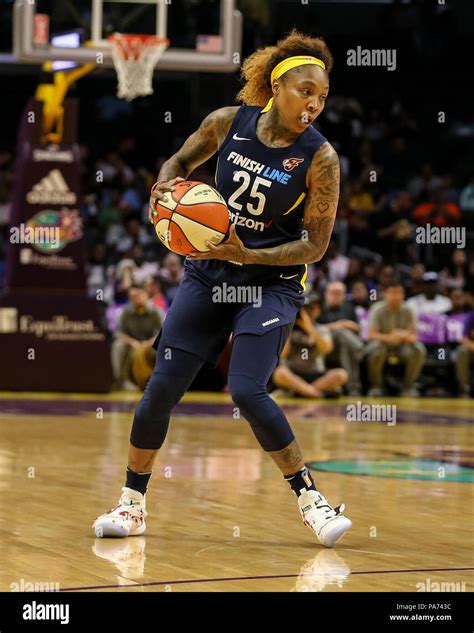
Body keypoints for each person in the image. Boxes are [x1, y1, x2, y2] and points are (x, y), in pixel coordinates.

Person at [93, 30, 352, 547]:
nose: (313, 104)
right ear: (276, 86)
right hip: (209, 274)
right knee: (158, 393)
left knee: (247, 390)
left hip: (271, 283)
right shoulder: (226, 123)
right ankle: (132, 505)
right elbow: (177, 164)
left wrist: (246, 254)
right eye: (305, 91)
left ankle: (312, 501)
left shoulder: (320, 159)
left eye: (321, 97)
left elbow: (315, 246)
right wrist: (163, 189)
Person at [272, 293, 348, 398]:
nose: (307, 313)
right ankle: (316, 393)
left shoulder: (322, 329)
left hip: (316, 373)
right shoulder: (288, 329)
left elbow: (327, 349)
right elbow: (283, 354)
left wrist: (309, 327)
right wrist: (288, 328)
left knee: (341, 374)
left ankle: (300, 392)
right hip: (293, 373)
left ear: (318, 311)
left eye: (311, 309)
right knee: (279, 373)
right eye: (305, 309)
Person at [366, 279, 426, 397]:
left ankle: (408, 387)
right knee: (377, 349)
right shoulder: (377, 308)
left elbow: (414, 337)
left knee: (419, 349)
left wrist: (402, 335)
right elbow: (371, 335)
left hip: (402, 346)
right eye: (393, 292)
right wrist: (390, 338)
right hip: (382, 345)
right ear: (385, 294)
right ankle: (376, 387)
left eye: (399, 293)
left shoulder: (409, 310)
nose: (396, 296)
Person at [111, 284, 163, 390]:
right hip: (132, 344)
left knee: (162, 347)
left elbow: (163, 333)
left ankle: (160, 381)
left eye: (140, 295)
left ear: (146, 295)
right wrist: (133, 342)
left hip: (151, 344)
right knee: (118, 346)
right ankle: (119, 381)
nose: (137, 298)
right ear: (130, 298)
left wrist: (148, 343)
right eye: (133, 296)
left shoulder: (156, 312)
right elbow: (119, 333)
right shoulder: (126, 312)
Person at [319, 281, 363, 395]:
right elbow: (313, 328)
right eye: (333, 293)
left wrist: (352, 325)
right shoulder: (319, 307)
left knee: (345, 343)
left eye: (339, 293)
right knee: (341, 333)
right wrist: (337, 326)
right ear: (326, 294)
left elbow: (358, 329)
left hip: (345, 346)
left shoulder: (349, 308)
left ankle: (352, 387)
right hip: (325, 346)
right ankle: (361, 350)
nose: (336, 296)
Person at [454, 311, 474, 397]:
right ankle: (464, 387)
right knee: (462, 351)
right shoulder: (471, 317)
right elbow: (463, 338)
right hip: (472, 350)